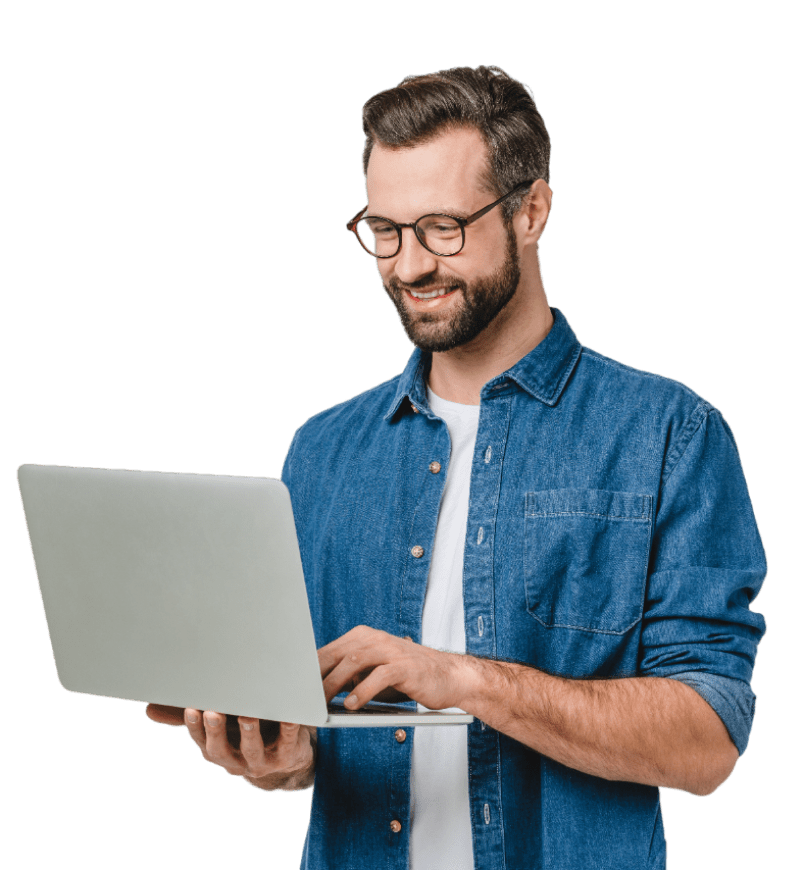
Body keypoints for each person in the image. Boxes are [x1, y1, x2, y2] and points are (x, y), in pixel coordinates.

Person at [147, 65, 767, 869]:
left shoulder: (669, 434)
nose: (407, 267)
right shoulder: (323, 450)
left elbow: (707, 744)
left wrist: (466, 681)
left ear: (531, 210)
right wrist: (284, 759)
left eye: (442, 227)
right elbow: (313, 727)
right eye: (385, 231)